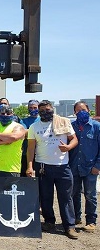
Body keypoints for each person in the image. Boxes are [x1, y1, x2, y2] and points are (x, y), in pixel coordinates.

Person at [26, 100, 78, 239]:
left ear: (52, 109)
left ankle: (69, 226)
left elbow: (74, 139)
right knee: (45, 196)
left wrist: (68, 147)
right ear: (38, 111)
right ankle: (49, 222)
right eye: (41, 110)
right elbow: (31, 149)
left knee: (66, 197)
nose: (45, 112)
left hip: (62, 167)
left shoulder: (63, 122)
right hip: (43, 166)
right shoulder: (34, 127)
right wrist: (30, 166)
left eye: (47, 110)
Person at [70, 101, 99, 233]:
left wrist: (98, 165)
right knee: (74, 193)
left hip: (90, 167)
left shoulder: (96, 127)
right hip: (74, 166)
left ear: (88, 110)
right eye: (78, 110)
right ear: (75, 113)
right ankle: (76, 217)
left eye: (83, 109)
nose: (81, 112)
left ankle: (91, 221)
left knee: (90, 194)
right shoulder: (71, 127)